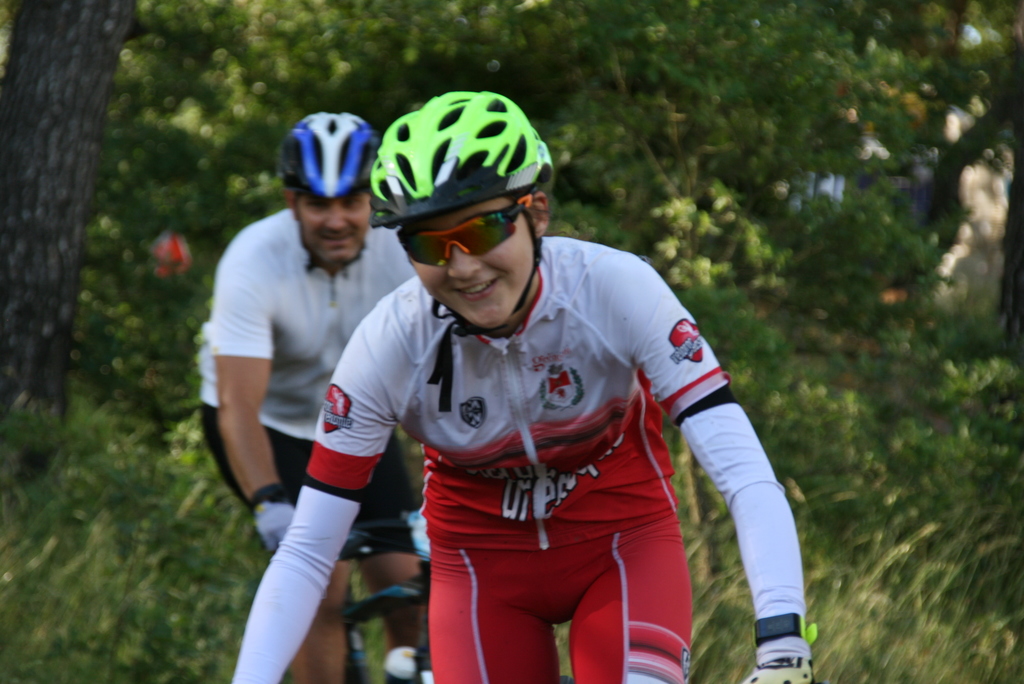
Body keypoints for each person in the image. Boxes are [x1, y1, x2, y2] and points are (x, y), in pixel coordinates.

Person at [230, 92, 820, 684]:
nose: (463, 267)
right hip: (481, 573)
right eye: (430, 244)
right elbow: (309, 550)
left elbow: (743, 473)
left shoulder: (614, 289)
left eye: (483, 229)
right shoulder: (389, 343)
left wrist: (782, 640)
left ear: (536, 213)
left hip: (623, 548)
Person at [198, 112, 422, 684]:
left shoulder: (401, 248)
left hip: (356, 421)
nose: (337, 220)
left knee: (410, 585)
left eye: (352, 202)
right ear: (291, 202)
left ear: (373, 200)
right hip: (269, 426)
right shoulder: (253, 259)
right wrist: (269, 501)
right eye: (319, 204)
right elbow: (238, 408)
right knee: (319, 587)